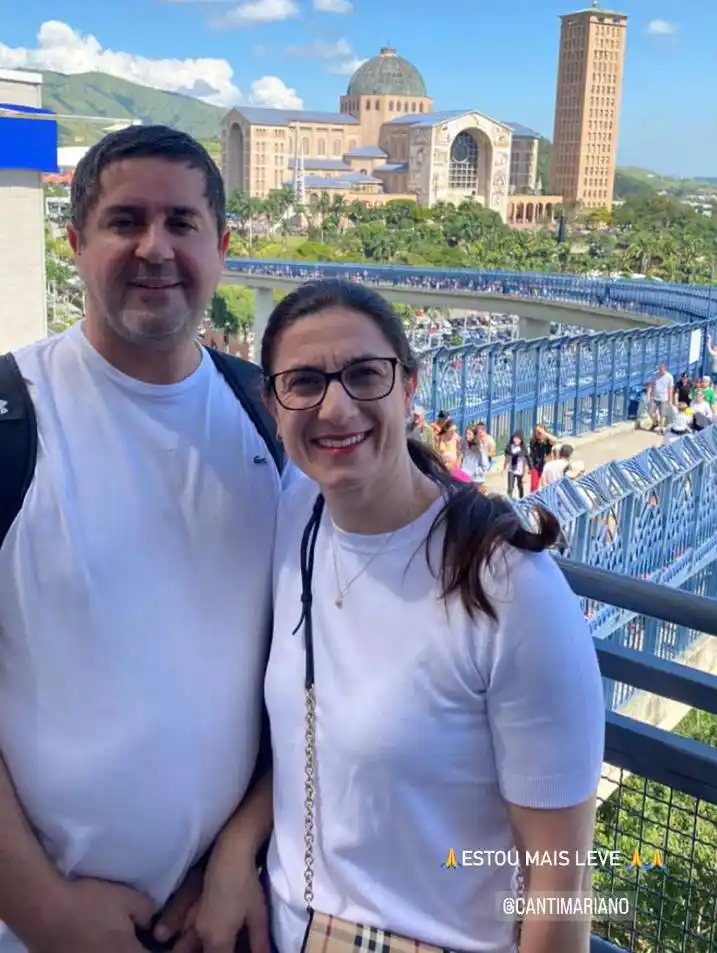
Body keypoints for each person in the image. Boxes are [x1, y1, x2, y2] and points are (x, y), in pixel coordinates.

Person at [189, 279, 605, 953]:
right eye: (304, 381)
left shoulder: (509, 589)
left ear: (408, 388)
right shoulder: (296, 515)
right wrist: (237, 845)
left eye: (363, 375)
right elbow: (316, 732)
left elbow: (559, 882)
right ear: (274, 404)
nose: (335, 405)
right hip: (283, 927)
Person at [0, 125, 284, 953]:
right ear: (76, 242)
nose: (154, 247)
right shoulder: (15, 418)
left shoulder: (272, 424)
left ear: (221, 247)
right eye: (125, 221)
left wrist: (237, 853)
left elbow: (318, 672)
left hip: (220, 916)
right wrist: (46, 912)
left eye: (182, 223)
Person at [503, 430, 531, 499]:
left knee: (520, 485)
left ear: (521, 439)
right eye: (515, 438)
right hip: (511, 469)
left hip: (520, 470)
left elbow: (527, 458)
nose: (516, 440)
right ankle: (509, 499)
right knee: (510, 487)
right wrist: (504, 467)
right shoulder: (510, 447)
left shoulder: (523, 448)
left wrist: (530, 468)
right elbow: (507, 456)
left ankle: (521, 498)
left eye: (518, 438)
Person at [528, 424, 556, 492]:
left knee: (547, 485)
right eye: (537, 431)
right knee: (534, 487)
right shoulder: (533, 441)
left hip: (546, 465)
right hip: (536, 466)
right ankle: (533, 500)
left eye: (540, 432)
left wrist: (544, 433)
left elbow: (555, 440)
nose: (538, 433)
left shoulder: (547, 441)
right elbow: (531, 454)